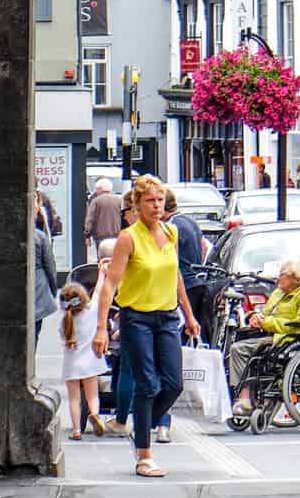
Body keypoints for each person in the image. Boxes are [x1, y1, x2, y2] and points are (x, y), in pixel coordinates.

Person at [92, 173, 200, 478]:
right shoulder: (129, 237)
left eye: (160, 200)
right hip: (136, 316)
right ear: (137, 205)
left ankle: (139, 427)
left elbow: (175, 274)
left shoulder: (172, 232)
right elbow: (111, 282)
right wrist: (101, 327)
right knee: (148, 384)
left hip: (167, 316)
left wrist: (189, 316)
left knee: (174, 383)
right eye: (150, 201)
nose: (156, 206)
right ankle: (144, 454)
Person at [229, 258, 300, 415]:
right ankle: (244, 396)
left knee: (242, 350)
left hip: (291, 339)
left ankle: (246, 398)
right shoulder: (279, 292)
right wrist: (254, 316)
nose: (278, 278)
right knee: (238, 346)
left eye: (282, 274)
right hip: (273, 336)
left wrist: (267, 322)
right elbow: (265, 313)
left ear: (295, 276)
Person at [59, 280, 109, 440]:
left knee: (74, 399)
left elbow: (63, 336)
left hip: (71, 364)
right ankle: (94, 414)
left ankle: (76, 431)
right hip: (90, 363)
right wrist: (101, 273)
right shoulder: (92, 311)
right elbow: (99, 291)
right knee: (92, 396)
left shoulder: (65, 321)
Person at [164, 185, 211, 343]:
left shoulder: (171, 227)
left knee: (181, 330)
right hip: (198, 280)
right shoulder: (190, 221)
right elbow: (204, 246)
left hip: (183, 283)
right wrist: (196, 261)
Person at [33, 196, 58, 347]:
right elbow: (50, 265)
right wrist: (53, 290)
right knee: (35, 329)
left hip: (37, 285)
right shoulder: (39, 236)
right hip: (38, 287)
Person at [84, 177, 122, 257]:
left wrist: (87, 235)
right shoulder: (119, 200)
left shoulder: (96, 201)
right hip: (117, 235)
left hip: (100, 236)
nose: (96, 191)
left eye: (97, 189)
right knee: (116, 256)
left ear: (100, 189)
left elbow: (90, 219)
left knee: (102, 258)